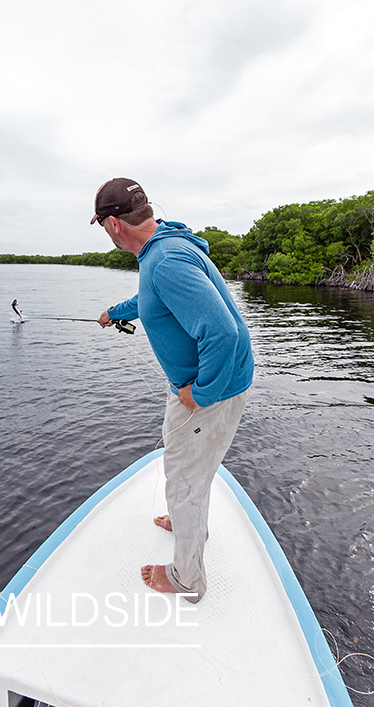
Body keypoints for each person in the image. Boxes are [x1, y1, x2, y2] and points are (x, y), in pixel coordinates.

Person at [92, 177, 253, 603]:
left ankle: (186, 579)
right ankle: (187, 525)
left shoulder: (164, 261)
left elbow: (225, 333)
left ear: (112, 225)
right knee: (186, 474)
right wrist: (117, 311)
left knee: (184, 481)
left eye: (101, 225)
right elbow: (155, 300)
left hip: (206, 393)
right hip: (200, 387)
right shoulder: (164, 246)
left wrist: (201, 394)